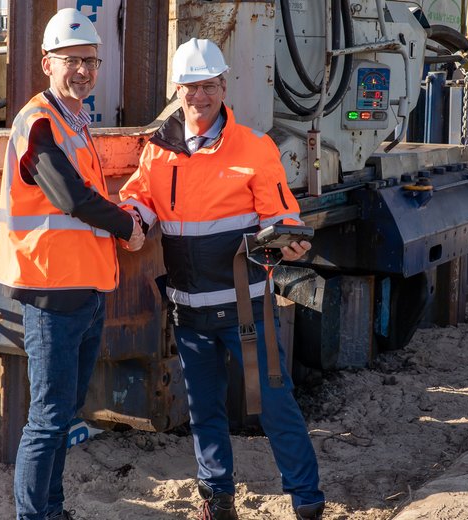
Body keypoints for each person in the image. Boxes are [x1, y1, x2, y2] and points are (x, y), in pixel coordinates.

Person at [119, 38, 325, 520]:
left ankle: (308, 503)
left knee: (275, 407)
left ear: (223, 86)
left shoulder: (254, 148)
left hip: (246, 310)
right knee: (205, 413)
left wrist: (290, 238)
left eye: (208, 86)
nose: (200, 96)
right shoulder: (157, 152)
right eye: (191, 87)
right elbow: (140, 203)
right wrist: (127, 220)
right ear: (177, 89)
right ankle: (218, 502)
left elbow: (281, 214)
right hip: (189, 311)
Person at [0, 8, 145, 520]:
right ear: (47, 63)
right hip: (52, 290)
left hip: (85, 289)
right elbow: (69, 197)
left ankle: (52, 511)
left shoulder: (74, 122)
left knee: (63, 416)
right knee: (47, 419)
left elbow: (87, 197)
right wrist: (127, 226)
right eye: (72, 61)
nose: (83, 71)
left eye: (91, 61)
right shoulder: (39, 123)